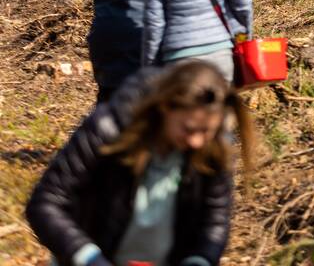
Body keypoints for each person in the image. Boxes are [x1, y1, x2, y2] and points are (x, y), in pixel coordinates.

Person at [26, 61, 254, 266]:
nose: (196, 141)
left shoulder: (213, 148)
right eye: (188, 129)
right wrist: (86, 256)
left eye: (206, 131)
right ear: (165, 107)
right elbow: (46, 203)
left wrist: (200, 259)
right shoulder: (108, 129)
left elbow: (214, 219)